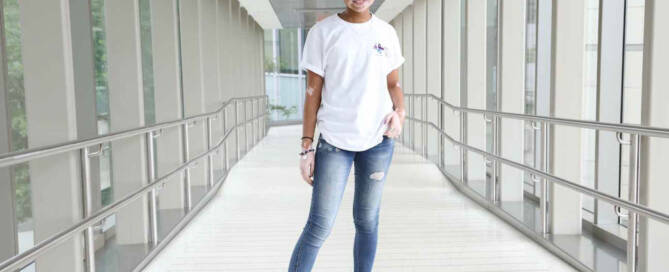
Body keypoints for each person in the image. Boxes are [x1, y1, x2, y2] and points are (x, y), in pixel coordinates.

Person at [288, 0, 406, 271]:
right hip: (334, 142)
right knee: (319, 224)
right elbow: (312, 92)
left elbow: (393, 84)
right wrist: (306, 147)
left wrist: (400, 112)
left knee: (367, 221)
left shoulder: (386, 33)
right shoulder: (322, 33)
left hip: (379, 140)